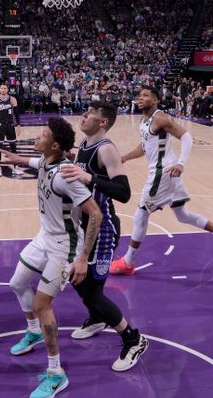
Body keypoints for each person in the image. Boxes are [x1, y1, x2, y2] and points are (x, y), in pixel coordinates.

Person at [0, 118, 140, 398]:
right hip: (44, 237)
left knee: (43, 306)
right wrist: (17, 158)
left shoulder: (65, 174)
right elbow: (37, 164)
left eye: (42, 135)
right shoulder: (46, 161)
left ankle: (56, 374)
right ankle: (34, 332)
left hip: (64, 246)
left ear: (53, 145)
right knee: (17, 283)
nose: (36, 137)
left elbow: (96, 214)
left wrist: (81, 258)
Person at [111, 86, 213, 275]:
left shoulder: (161, 118)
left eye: (145, 95)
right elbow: (144, 147)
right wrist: (125, 157)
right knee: (182, 215)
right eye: (139, 95)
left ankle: (127, 262)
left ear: (155, 101)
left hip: (164, 172)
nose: (140, 98)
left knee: (141, 214)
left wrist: (181, 163)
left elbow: (186, 137)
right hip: (168, 172)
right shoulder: (144, 121)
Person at [56, 102, 148, 369]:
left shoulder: (106, 149)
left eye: (90, 114)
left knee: (92, 290)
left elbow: (123, 192)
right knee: (78, 280)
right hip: (84, 227)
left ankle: (132, 339)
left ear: (103, 122)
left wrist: (89, 178)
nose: (83, 116)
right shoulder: (84, 146)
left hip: (103, 229)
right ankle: (97, 318)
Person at [0, 83, 22, 177]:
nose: (3, 89)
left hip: (11, 126)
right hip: (0, 126)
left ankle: (15, 167)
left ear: (7, 89)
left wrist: (18, 125)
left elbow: (16, 114)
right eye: (2, 88)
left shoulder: (12, 99)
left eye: (5, 88)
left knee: (13, 147)